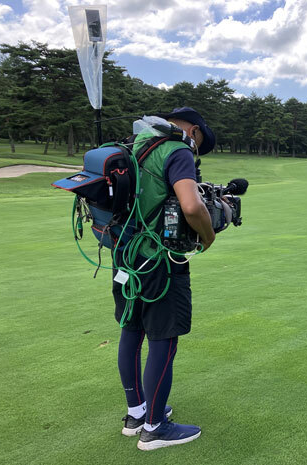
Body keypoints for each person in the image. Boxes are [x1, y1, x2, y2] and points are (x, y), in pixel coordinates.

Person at [114, 107, 216, 451]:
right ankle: (155, 428)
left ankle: (137, 414)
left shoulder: (133, 144)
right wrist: (207, 237)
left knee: (132, 330)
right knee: (163, 338)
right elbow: (191, 206)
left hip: (125, 255)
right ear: (194, 131)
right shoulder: (177, 149)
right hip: (160, 260)